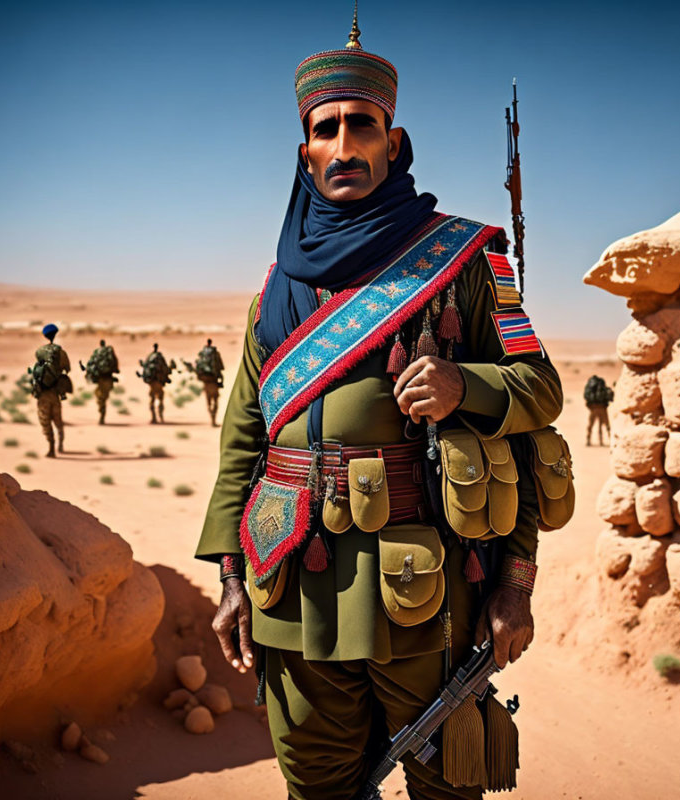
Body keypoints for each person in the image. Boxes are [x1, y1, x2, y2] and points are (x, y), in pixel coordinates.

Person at [195, 15, 568, 800]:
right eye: (324, 130)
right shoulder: (276, 288)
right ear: (305, 153)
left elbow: (541, 396)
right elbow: (243, 439)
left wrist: (469, 389)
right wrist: (231, 573)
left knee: (447, 785)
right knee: (317, 786)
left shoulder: (466, 259)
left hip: (424, 588)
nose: (342, 144)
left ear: (392, 143)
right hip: (289, 586)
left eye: (360, 125)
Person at [30, 323, 72, 457]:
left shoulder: (39, 351)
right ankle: (60, 443)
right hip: (55, 392)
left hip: (42, 393)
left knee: (45, 421)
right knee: (58, 420)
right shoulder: (60, 352)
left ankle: (51, 446)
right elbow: (67, 369)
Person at [184, 338, 224, 426]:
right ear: (211, 343)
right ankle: (214, 419)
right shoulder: (215, 353)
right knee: (215, 401)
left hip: (206, 383)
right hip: (214, 381)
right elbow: (221, 366)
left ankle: (211, 417)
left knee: (209, 401)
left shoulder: (202, 353)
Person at [81, 339, 120, 425]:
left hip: (101, 380)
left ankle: (102, 415)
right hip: (108, 379)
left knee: (100, 398)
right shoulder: (109, 352)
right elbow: (115, 364)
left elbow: (91, 364)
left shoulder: (96, 353)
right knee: (103, 398)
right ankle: (102, 415)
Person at [137, 343, 174, 424]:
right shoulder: (160, 357)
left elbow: (145, 367)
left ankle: (154, 417)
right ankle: (160, 417)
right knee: (160, 400)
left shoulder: (149, 357)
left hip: (152, 383)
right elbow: (165, 369)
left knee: (152, 400)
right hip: (159, 382)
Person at [583, 374, 612, 446]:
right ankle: (608, 441)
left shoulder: (590, 386)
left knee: (591, 425)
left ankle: (588, 440)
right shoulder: (602, 385)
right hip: (602, 408)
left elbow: (586, 396)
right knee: (605, 425)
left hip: (593, 408)